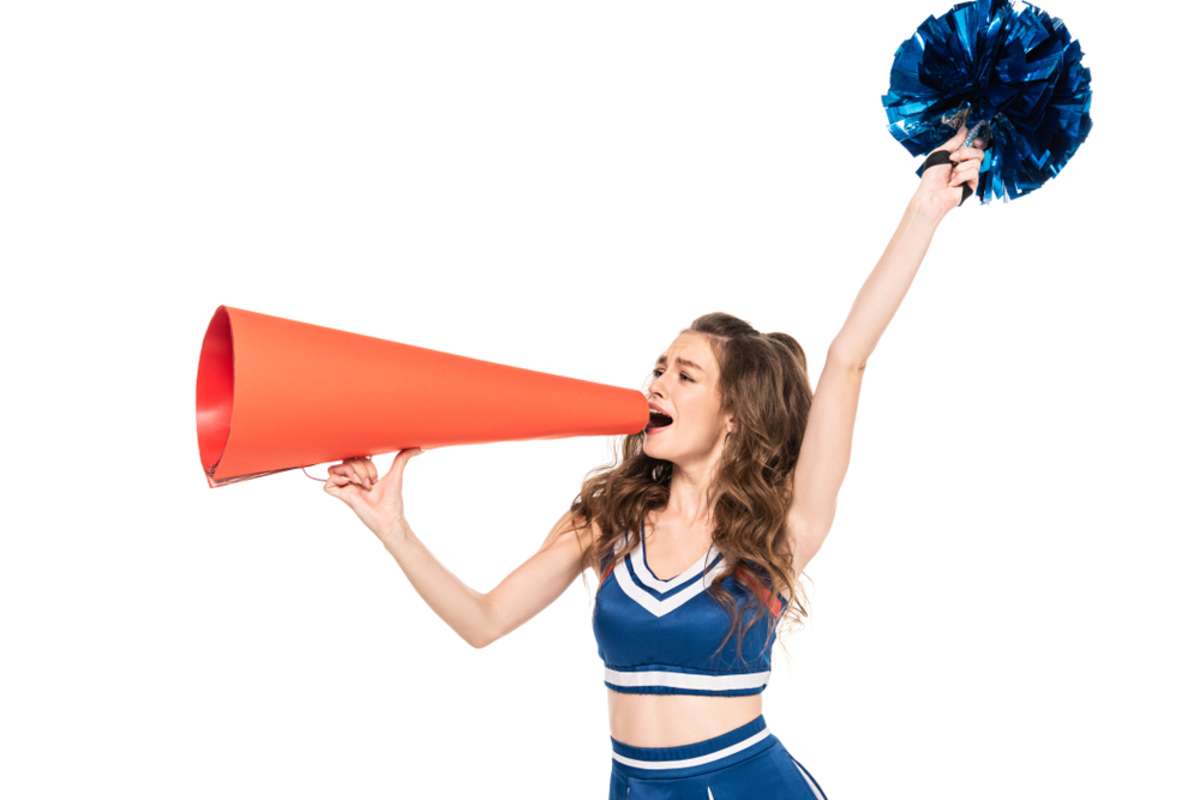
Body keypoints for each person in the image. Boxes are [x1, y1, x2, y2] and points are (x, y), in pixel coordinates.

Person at [322, 123, 987, 798]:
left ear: (734, 414)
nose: (657, 385)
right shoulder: (608, 521)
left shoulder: (782, 531)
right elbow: (484, 622)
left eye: (685, 375)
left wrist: (924, 209)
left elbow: (847, 358)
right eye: (658, 368)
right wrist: (391, 528)